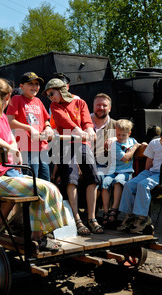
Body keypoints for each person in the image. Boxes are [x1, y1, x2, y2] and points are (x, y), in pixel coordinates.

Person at [0, 78, 67, 251]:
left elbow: (9, 137)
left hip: (3, 177)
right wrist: (12, 148)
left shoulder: (1, 116)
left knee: (46, 187)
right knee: (44, 189)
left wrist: (13, 146)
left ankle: (36, 234)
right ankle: (38, 237)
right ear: (8, 97)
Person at [43, 78, 103, 235]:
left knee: (92, 176)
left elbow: (87, 120)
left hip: (82, 143)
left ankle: (92, 218)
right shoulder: (54, 106)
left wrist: (89, 130)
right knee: (71, 178)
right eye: (48, 95)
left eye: (52, 93)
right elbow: (64, 120)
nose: (50, 97)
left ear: (61, 90)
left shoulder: (80, 102)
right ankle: (77, 219)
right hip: (65, 144)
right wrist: (78, 130)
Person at [6, 72, 54, 181]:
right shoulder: (16, 99)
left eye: (37, 84)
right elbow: (10, 121)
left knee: (46, 181)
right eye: (30, 83)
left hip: (42, 148)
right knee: (31, 181)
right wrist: (29, 128)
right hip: (26, 148)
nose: (34, 87)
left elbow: (46, 120)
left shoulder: (38, 101)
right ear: (21, 86)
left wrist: (48, 128)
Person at [100, 119, 144, 228]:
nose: (120, 137)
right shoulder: (115, 145)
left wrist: (143, 144)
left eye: (123, 135)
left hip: (126, 171)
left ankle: (114, 209)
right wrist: (135, 147)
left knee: (118, 182)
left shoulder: (132, 140)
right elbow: (125, 158)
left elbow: (142, 145)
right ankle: (106, 211)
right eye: (118, 134)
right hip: (112, 170)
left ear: (129, 133)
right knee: (105, 184)